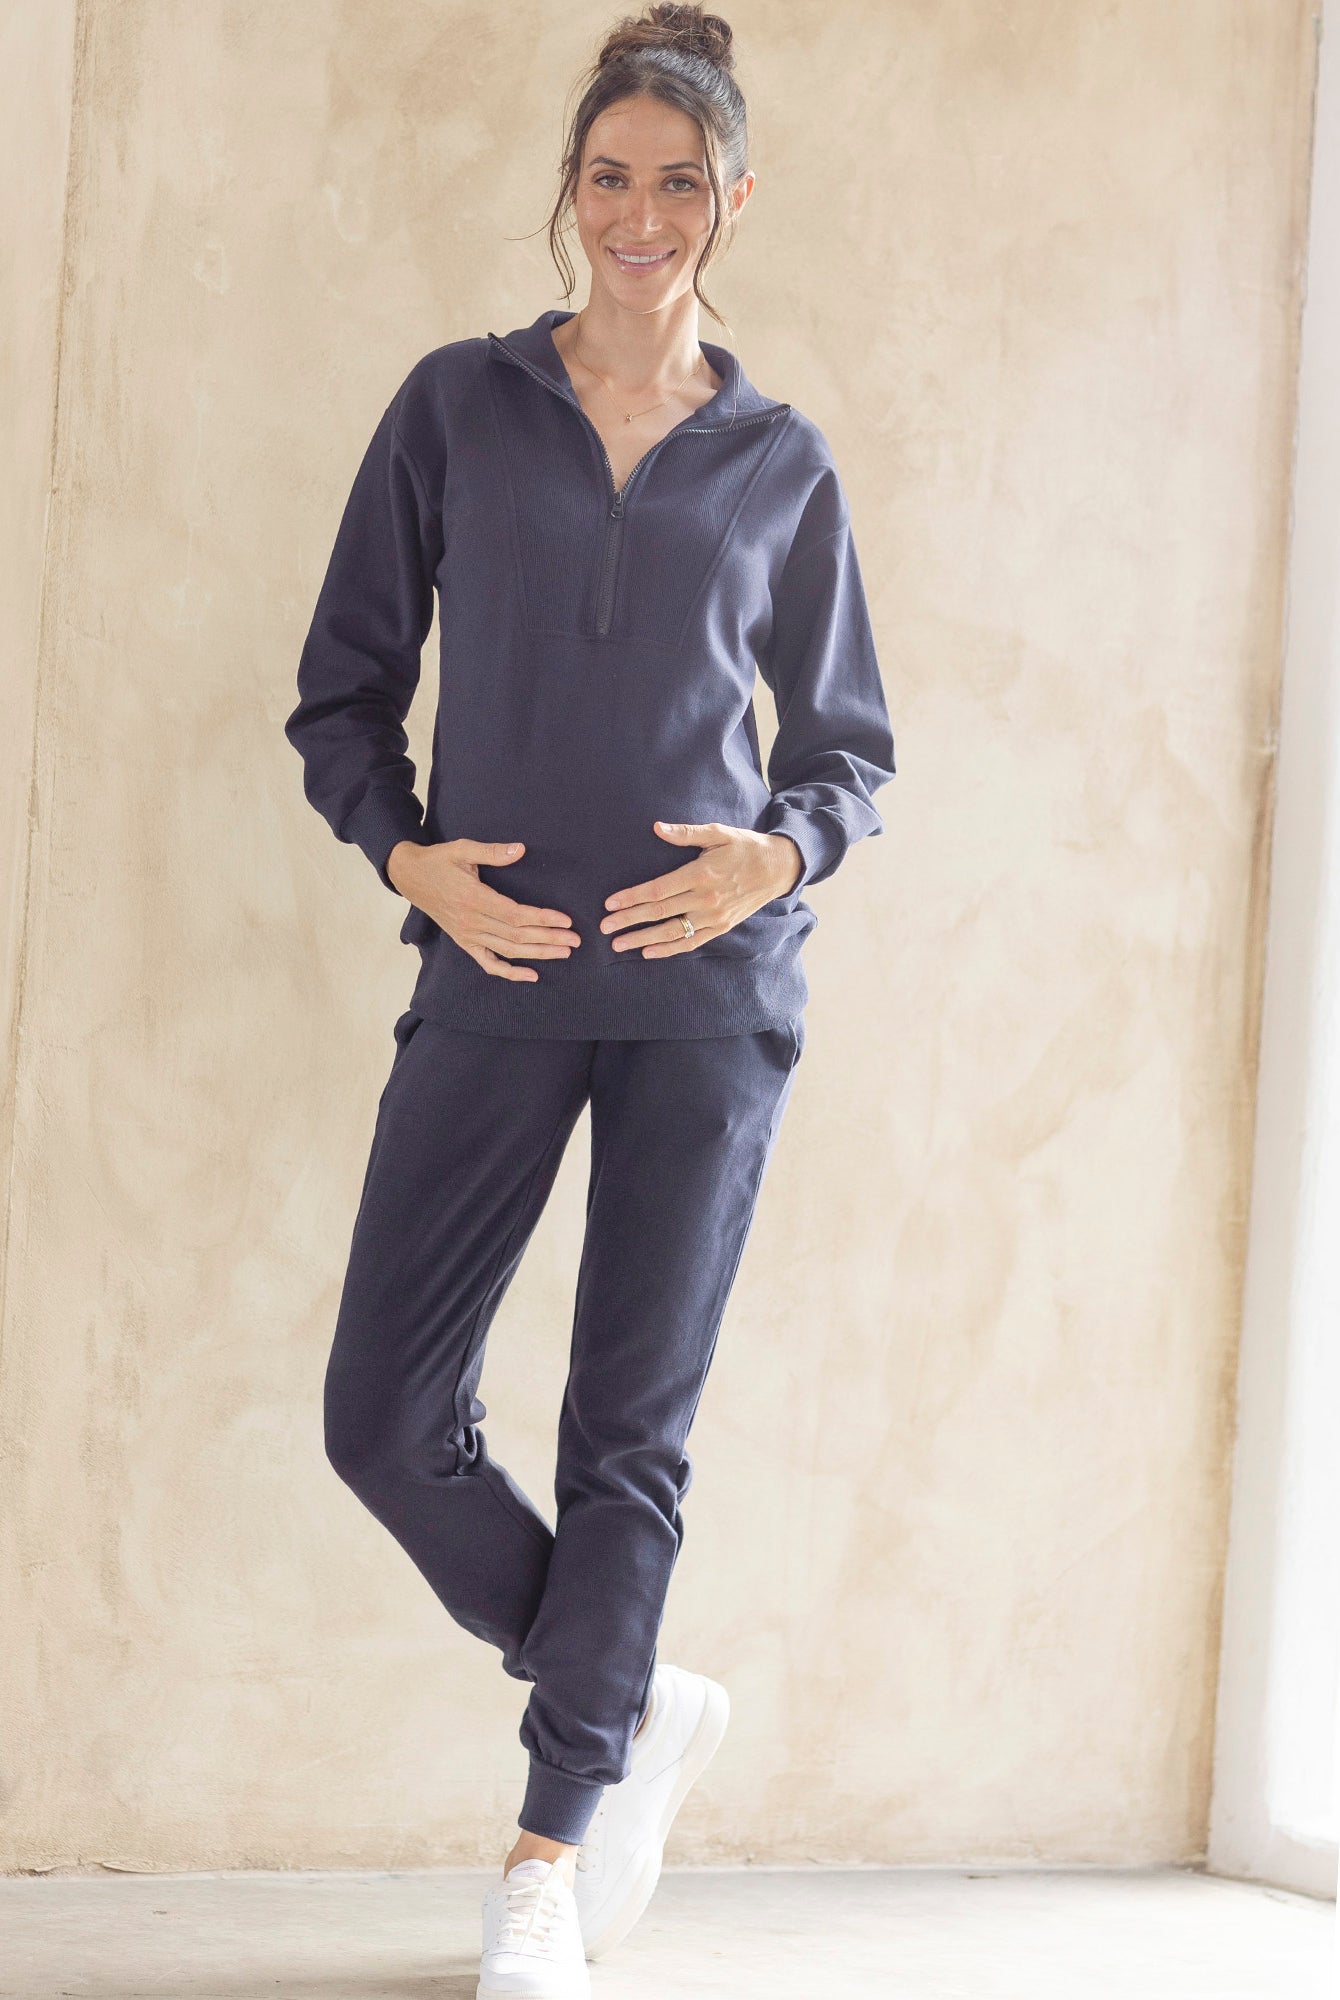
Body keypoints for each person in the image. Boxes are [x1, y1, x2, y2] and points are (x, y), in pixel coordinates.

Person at [283, 4, 896, 1993]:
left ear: (735, 198)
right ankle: (624, 1693)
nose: (641, 213)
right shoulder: (456, 409)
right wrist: (408, 857)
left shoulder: (777, 458)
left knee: (627, 1429)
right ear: (573, 187)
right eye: (610, 175)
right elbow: (341, 692)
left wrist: (769, 859)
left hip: (708, 1002)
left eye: (679, 181)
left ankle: (546, 1860)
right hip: (496, 977)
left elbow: (847, 752)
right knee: (385, 1418)